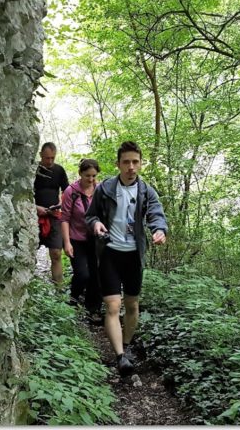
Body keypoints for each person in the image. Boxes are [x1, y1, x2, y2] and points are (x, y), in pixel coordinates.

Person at [85, 141, 169, 376]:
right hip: (110, 252)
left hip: (134, 255)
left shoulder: (146, 190)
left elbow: (156, 215)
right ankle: (121, 356)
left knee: (132, 304)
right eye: (126, 162)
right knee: (113, 305)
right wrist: (97, 224)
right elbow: (90, 217)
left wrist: (159, 230)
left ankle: (128, 345)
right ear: (118, 164)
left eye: (135, 162)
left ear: (140, 163)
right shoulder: (106, 188)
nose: (131, 166)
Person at [59, 158, 104, 325]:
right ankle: (74, 296)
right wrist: (66, 242)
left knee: (96, 275)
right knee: (82, 274)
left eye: (94, 176)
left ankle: (93, 309)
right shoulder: (71, 192)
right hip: (76, 239)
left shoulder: (100, 190)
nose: (91, 179)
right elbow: (64, 219)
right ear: (80, 174)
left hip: (95, 240)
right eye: (87, 176)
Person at [34, 142, 69, 284]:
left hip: (54, 215)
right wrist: (36, 208)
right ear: (41, 155)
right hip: (33, 216)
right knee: (29, 253)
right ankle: (29, 286)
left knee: (56, 253)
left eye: (52, 158)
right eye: (47, 158)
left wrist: (60, 205)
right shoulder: (34, 170)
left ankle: (59, 286)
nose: (49, 161)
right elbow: (23, 194)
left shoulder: (59, 170)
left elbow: (67, 192)